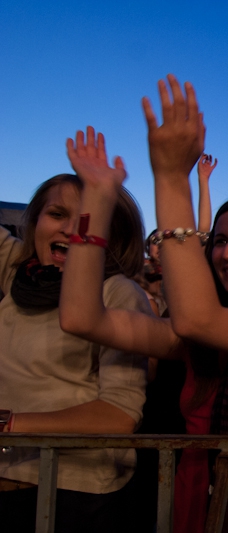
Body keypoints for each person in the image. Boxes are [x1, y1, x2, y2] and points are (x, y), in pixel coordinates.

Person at [58, 77, 228, 533]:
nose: (227, 253)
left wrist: (170, 176)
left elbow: (200, 318)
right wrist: (97, 200)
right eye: (219, 241)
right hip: (190, 510)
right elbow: (82, 316)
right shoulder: (195, 340)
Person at [0, 162, 149, 532]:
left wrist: (9, 424)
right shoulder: (19, 275)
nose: (69, 228)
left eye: (88, 218)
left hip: (72, 491)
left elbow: (120, 415)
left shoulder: (118, 292)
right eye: (56, 214)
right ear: (34, 223)